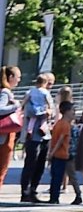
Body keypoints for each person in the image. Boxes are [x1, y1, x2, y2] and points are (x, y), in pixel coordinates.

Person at [16, 70, 54, 203]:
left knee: (40, 164)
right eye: (49, 83)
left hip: (44, 134)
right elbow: (29, 110)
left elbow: (53, 111)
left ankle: (33, 190)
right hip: (32, 135)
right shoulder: (33, 93)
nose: (50, 86)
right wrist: (45, 112)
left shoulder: (44, 94)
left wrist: (49, 113)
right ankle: (25, 192)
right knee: (30, 163)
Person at [46, 91, 77, 206]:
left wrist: (50, 152)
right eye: (72, 111)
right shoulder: (65, 125)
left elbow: (53, 139)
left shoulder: (58, 123)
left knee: (55, 176)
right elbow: (60, 141)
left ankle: (53, 197)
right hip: (61, 154)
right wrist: (52, 153)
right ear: (67, 112)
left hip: (56, 155)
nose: (73, 113)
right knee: (58, 177)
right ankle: (55, 198)